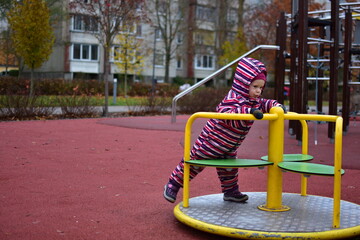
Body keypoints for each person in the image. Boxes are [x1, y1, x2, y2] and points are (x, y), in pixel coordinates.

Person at [163, 57, 285, 203]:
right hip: (211, 141)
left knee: (229, 168)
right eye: (255, 87)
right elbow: (226, 113)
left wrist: (275, 105)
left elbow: (265, 103)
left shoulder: (255, 101)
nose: (258, 91)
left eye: (261, 87)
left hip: (230, 144)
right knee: (194, 163)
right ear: (243, 84)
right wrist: (248, 111)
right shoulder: (232, 98)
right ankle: (173, 184)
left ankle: (230, 191)